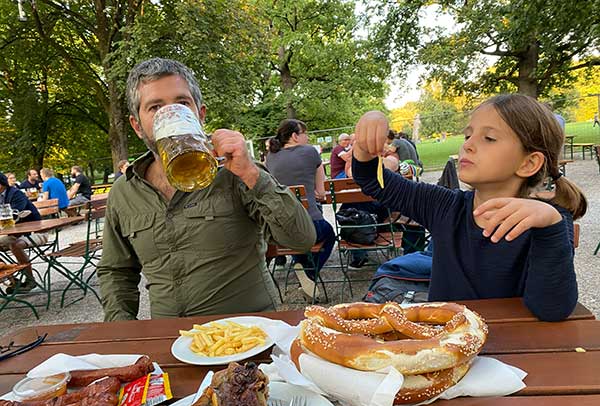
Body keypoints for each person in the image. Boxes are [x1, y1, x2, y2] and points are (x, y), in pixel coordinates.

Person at [97, 57, 315, 321]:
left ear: (199, 114)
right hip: (171, 341)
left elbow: (301, 239)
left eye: (182, 103)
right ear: (137, 125)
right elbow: (116, 272)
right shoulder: (124, 191)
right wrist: (123, 332)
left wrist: (251, 173)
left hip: (248, 338)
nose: (171, 115)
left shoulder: (238, 172)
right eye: (155, 107)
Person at [351, 94, 587, 321]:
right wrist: (367, 137)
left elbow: (551, 309)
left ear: (528, 163)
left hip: (513, 350)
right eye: (467, 136)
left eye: (489, 138)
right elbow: (374, 180)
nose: (468, 146)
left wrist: (550, 226)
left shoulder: (547, 222)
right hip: (446, 344)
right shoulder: (445, 206)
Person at [266, 119, 336, 297]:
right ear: (295, 136)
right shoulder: (310, 152)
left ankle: (301, 267)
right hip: (309, 225)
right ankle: (310, 274)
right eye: (305, 134)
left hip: (280, 230)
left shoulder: (270, 156)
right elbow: (321, 192)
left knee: (300, 236)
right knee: (328, 234)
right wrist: (317, 192)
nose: (307, 138)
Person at [0, 172, 46, 293]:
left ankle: (30, 280)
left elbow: (14, 215)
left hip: (35, 232)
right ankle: (12, 278)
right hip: (15, 234)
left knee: (16, 245)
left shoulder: (16, 194)